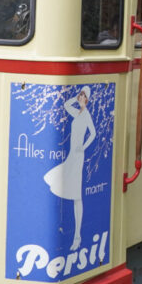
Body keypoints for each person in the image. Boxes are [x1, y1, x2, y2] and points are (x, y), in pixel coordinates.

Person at [43, 86, 97, 250]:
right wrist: (75, 97)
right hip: (72, 155)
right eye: (80, 96)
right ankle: (68, 233)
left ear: (87, 100)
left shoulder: (86, 115)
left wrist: (83, 147)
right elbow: (66, 105)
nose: (80, 98)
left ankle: (77, 237)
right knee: (59, 181)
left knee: (76, 195)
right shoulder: (78, 113)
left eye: (83, 97)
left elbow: (93, 133)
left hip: (78, 155)